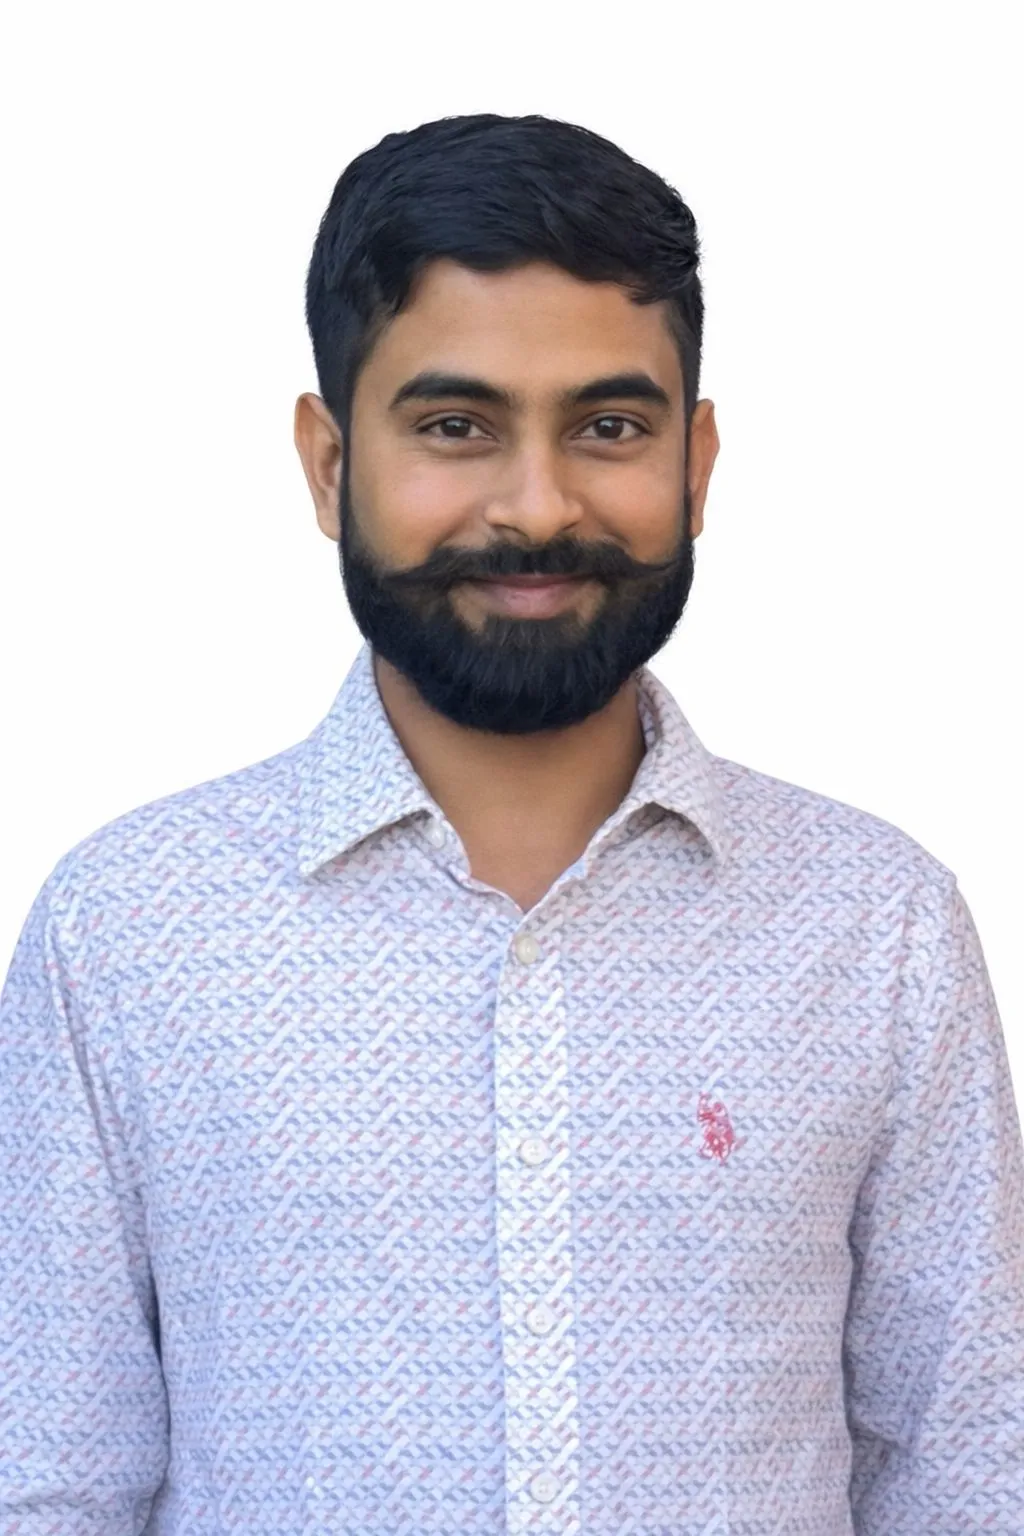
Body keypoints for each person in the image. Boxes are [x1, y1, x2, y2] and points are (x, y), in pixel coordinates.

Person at [0, 113, 1021, 1536]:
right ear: (327, 463)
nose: (538, 507)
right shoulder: (129, 929)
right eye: (454, 427)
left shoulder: (877, 925)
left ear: (697, 462)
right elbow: (46, 1484)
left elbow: (970, 1474)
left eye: (608, 427)